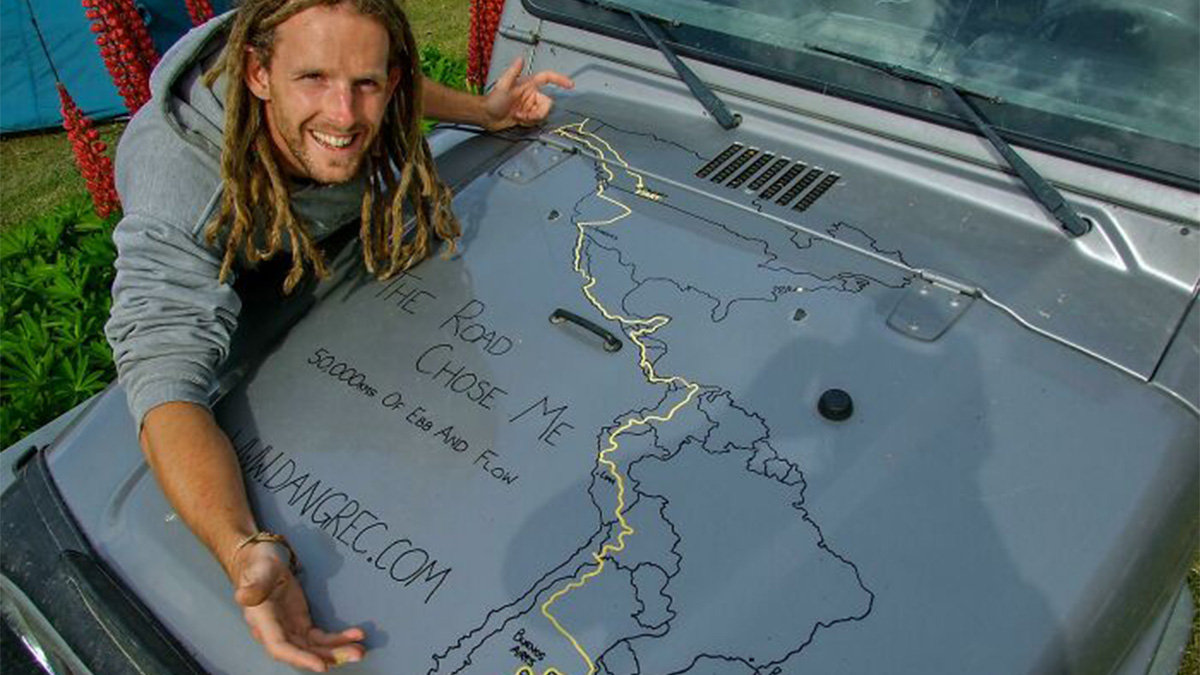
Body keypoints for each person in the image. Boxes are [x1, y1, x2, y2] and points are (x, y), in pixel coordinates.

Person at [103, 1, 573, 670]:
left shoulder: (358, 93)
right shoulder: (183, 184)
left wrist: (484, 111)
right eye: (313, 79)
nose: (345, 114)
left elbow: (390, 88)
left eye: (366, 84)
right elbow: (163, 384)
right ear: (258, 74)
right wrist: (241, 546)